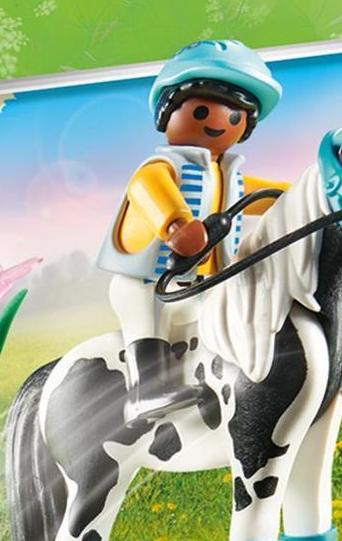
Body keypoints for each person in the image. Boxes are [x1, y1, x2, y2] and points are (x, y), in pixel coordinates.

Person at [96, 40, 287, 419]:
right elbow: (149, 193)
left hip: (200, 284)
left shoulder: (228, 176)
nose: (220, 122)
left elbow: (268, 195)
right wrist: (176, 226)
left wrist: (306, 196)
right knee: (147, 313)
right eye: (202, 111)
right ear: (168, 112)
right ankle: (146, 390)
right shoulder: (159, 169)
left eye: (235, 116)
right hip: (148, 282)